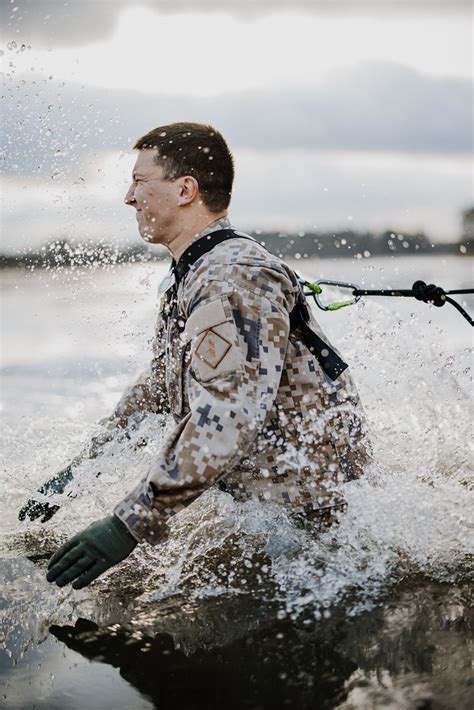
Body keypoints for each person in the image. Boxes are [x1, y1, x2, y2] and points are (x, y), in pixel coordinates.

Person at [19, 122, 369, 590]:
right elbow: (159, 387)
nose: (128, 196)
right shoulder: (198, 270)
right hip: (271, 513)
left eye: (140, 182)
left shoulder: (230, 276)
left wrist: (128, 525)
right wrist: (78, 470)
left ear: (186, 190)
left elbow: (228, 411)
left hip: (314, 527)